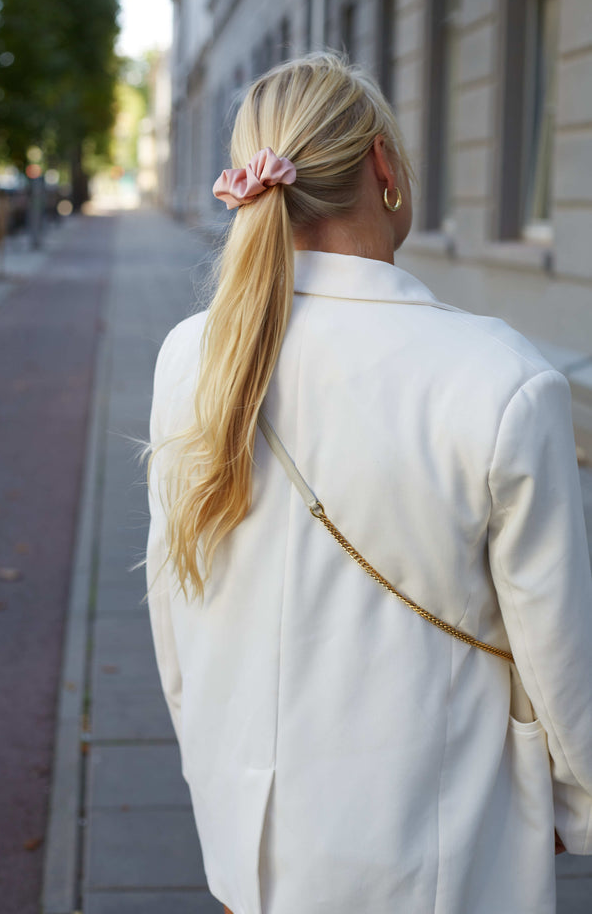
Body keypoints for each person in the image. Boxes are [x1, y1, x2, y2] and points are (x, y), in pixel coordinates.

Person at [145, 52, 592, 914]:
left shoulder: (187, 356)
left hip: (252, 849)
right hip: (434, 860)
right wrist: (575, 807)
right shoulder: (501, 377)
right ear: (383, 167)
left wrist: (215, 783)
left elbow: (176, 613)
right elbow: (559, 653)